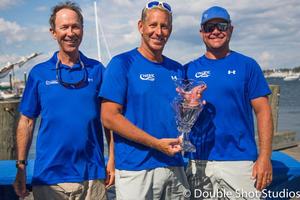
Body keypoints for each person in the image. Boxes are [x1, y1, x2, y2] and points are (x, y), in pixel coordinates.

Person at [13, 1, 114, 199]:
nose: (70, 32)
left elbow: (109, 120)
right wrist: (21, 166)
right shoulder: (39, 73)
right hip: (49, 178)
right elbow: (26, 121)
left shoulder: (98, 70)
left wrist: (112, 160)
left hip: (92, 177)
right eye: (64, 27)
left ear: (83, 30)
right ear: (53, 32)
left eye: (75, 26)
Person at [100, 1, 189, 199]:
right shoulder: (121, 63)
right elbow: (108, 118)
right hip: (136, 170)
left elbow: (180, 116)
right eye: (153, 25)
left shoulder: (177, 69)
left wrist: (192, 105)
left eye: (164, 26)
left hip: (175, 165)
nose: (158, 31)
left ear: (171, 30)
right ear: (141, 27)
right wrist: (156, 144)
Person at [184, 6, 274, 200]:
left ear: (231, 29)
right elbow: (180, 118)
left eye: (221, 25)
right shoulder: (188, 70)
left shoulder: (247, 65)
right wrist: (187, 107)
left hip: (240, 162)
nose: (215, 31)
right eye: (209, 27)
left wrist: (265, 157)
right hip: (199, 162)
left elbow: (263, 112)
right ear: (202, 33)